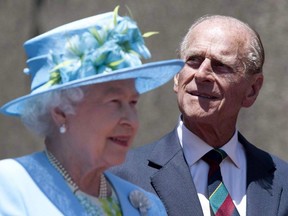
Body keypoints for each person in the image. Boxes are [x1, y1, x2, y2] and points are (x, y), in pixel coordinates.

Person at [0, 7, 184, 216]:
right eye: (114, 101)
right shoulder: (9, 187)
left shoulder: (146, 206)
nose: (131, 121)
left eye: (133, 103)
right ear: (60, 111)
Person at [111, 14, 288, 216]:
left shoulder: (282, 179)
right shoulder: (122, 177)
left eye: (220, 65)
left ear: (252, 90)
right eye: (193, 60)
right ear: (177, 78)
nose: (202, 74)